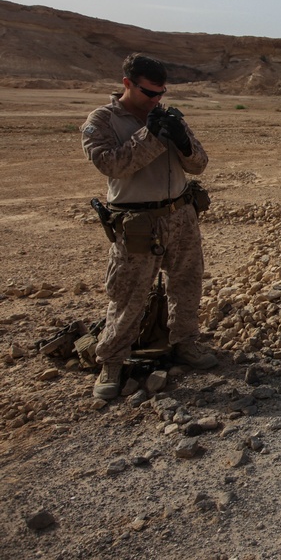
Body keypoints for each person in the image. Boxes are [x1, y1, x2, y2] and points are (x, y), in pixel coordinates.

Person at [81, 53, 217, 400]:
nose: (157, 99)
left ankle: (185, 342)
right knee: (128, 293)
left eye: (161, 92)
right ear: (127, 84)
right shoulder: (103, 120)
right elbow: (113, 165)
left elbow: (199, 164)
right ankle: (111, 358)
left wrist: (183, 143)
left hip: (181, 214)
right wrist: (151, 136)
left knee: (187, 284)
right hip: (138, 222)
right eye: (149, 92)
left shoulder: (167, 116)